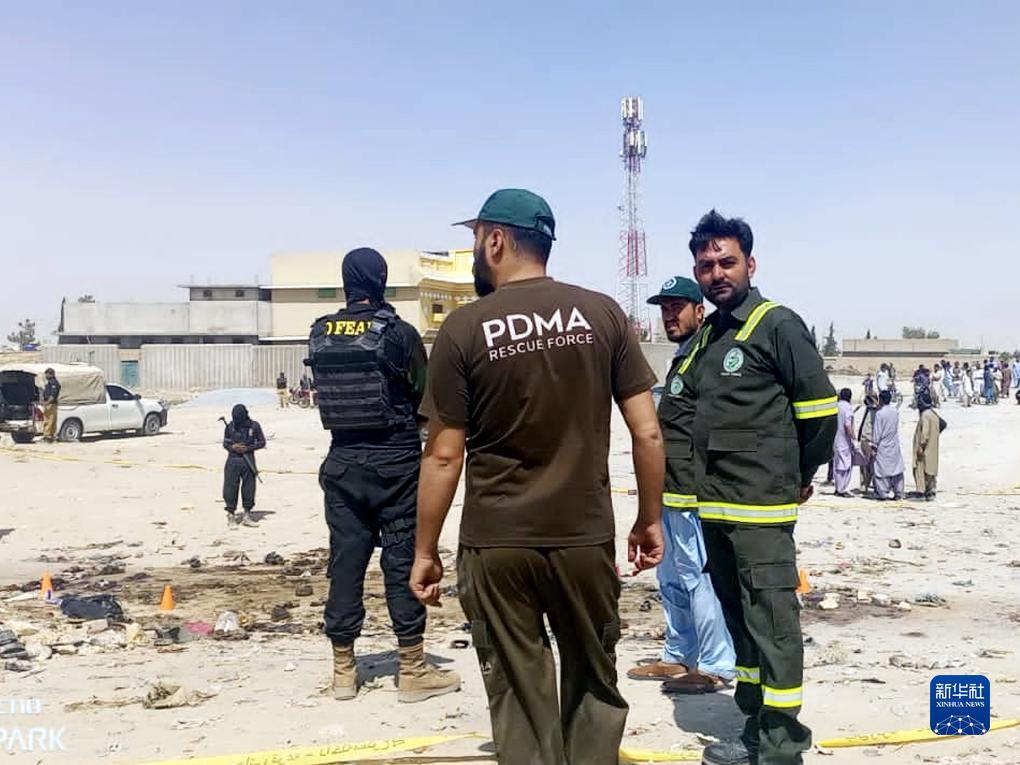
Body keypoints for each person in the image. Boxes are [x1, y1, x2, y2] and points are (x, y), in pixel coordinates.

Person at [409, 189, 665, 765]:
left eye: (478, 238)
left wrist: (425, 550)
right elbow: (648, 433)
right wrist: (649, 519)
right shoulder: (602, 314)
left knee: (521, 695)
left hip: (498, 542)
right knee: (593, 681)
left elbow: (444, 456)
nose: (477, 250)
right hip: (583, 538)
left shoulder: (464, 329)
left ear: (497, 241)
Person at [682, 210, 837, 765]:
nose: (717, 273)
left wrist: (798, 478)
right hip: (717, 510)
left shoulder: (777, 325)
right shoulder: (710, 335)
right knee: (742, 626)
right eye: (706, 266)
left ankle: (781, 747)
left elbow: (819, 414)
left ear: (750, 264)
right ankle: (755, 728)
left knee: (772, 625)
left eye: (727, 262)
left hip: (761, 513)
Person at [306, 247, 457, 704]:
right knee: (401, 562)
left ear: (346, 282)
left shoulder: (320, 334)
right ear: (381, 280)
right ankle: (412, 669)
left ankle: (343, 672)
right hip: (396, 466)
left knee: (345, 565)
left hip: (343, 464)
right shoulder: (399, 334)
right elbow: (423, 396)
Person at [627, 276, 736, 693]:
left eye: (678, 307)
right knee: (671, 578)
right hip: (668, 492)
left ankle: (716, 664)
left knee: (698, 578)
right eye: (665, 309)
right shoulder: (684, 357)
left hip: (693, 492)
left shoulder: (708, 356)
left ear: (700, 310)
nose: (670, 315)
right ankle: (679, 654)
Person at [222, 404, 265, 527]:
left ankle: (247, 514)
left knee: (249, 488)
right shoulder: (230, 427)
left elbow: (262, 442)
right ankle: (231, 515)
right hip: (232, 461)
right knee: (230, 488)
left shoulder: (254, 426)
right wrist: (233, 447)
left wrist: (248, 448)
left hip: (248, 461)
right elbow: (225, 443)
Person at [871, 390, 905, 500]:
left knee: (881, 470)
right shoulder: (895, 412)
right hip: (893, 444)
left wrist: (874, 446)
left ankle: (883, 493)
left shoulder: (880, 414)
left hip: (883, 445)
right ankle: (898, 491)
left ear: (880, 400)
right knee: (896, 469)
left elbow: (877, 431)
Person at [912, 391, 941, 501]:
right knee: (931, 469)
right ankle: (931, 490)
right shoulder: (934, 414)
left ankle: (921, 491)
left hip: (925, 448)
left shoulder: (925, 415)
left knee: (921, 468)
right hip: (933, 446)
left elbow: (925, 433)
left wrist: (921, 446)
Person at [832, 388, 855, 497]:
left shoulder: (836, 406)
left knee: (837, 464)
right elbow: (848, 425)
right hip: (844, 440)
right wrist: (853, 438)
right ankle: (841, 489)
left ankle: (838, 488)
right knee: (845, 465)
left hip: (835, 439)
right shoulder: (847, 408)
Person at [856, 393, 879, 493]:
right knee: (863, 465)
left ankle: (875, 485)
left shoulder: (877, 412)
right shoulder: (867, 410)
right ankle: (864, 484)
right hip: (864, 439)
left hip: (871, 440)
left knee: (873, 465)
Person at [40, 368, 60, 442]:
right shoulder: (49, 383)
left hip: (51, 404)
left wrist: (47, 403)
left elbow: (53, 395)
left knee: (49, 420)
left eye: (47, 374)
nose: (46, 376)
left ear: (51, 374)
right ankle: (51, 435)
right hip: (49, 403)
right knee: (50, 420)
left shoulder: (54, 383)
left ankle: (47, 436)